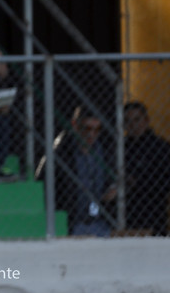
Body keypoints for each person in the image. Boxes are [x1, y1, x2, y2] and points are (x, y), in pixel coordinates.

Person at [36, 106, 114, 237]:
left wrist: (111, 188)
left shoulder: (104, 150)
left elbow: (113, 177)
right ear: (75, 125)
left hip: (100, 221)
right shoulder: (61, 152)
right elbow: (42, 181)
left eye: (97, 129)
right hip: (72, 222)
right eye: (87, 128)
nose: (91, 134)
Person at [122, 101, 170, 236]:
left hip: (154, 210)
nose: (133, 125)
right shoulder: (121, 148)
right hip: (129, 211)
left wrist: (138, 182)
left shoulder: (161, 148)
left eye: (137, 119)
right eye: (128, 121)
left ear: (146, 120)